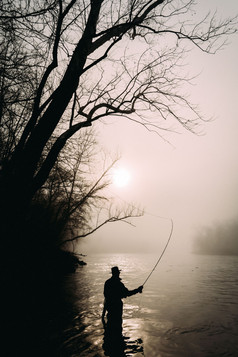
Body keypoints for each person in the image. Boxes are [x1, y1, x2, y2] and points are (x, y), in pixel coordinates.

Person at [102, 266, 143, 331]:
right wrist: (137, 290)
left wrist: (104, 312)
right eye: (118, 272)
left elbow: (105, 295)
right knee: (117, 326)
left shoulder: (107, 282)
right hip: (117, 308)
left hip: (109, 307)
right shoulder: (119, 284)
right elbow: (127, 293)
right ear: (117, 273)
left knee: (110, 326)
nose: (119, 274)